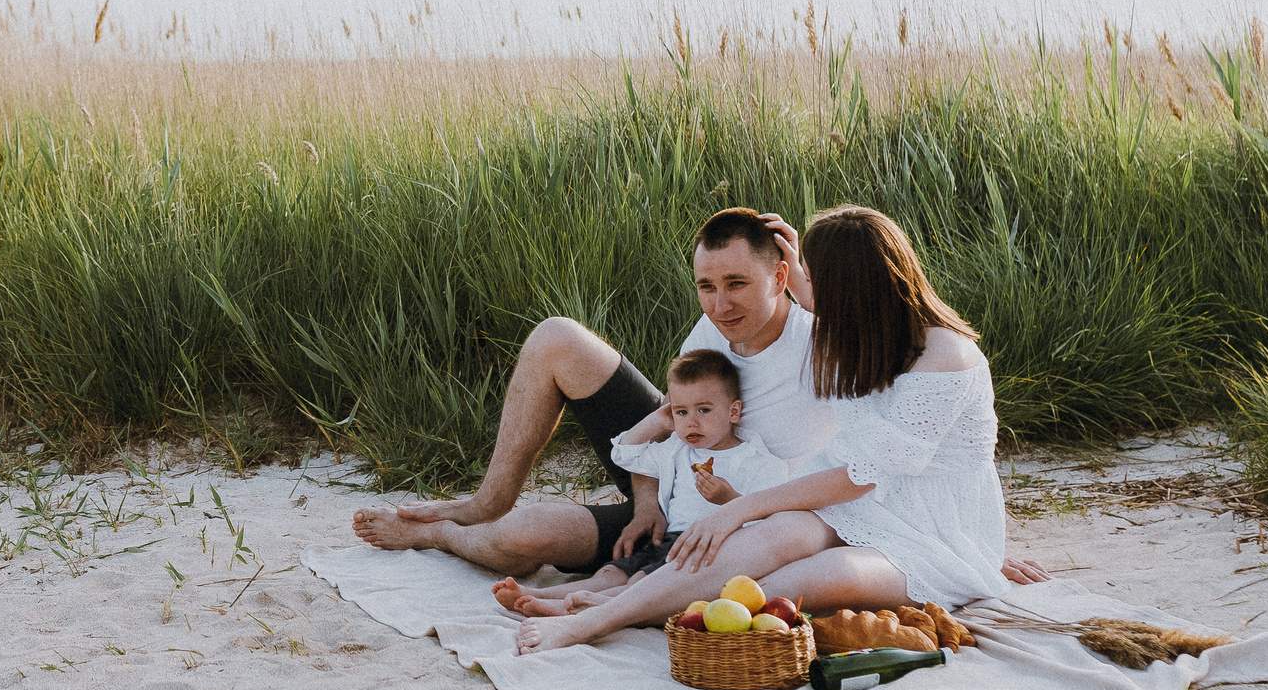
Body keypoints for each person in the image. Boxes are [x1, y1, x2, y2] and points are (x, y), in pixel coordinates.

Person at [512, 204, 1021, 654]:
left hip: (934, 536)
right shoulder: (860, 335)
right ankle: (603, 614)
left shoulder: (946, 357)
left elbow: (862, 475)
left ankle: (619, 607)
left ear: (858, 289)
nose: (808, 297)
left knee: (802, 581)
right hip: (861, 510)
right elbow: (812, 304)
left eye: (816, 282)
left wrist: (741, 507)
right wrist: (792, 274)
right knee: (764, 541)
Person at [351, 206, 834, 578]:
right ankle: (485, 504)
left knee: (521, 539)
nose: (720, 305)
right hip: (670, 486)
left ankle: (439, 536)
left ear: (779, 277)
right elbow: (669, 425)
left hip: (742, 516)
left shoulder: (827, 340)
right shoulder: (709, 331)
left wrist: (809, 289)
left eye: (736, 283)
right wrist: (647, 505)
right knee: (556, 337)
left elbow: (883, 347)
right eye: (706, 286)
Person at [494, 347, 792, 618]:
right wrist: (658, 421)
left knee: (641, 580)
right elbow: (624, 454)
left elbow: (771, 520)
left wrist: (728, 498)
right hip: (669, 539)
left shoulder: (755, 460)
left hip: (710, 548)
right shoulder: (678, 449)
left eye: (704, 410)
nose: (691, 421)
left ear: (733, 411)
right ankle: (542, 594)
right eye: (681, 411)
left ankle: (587, 607)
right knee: (611, 572)